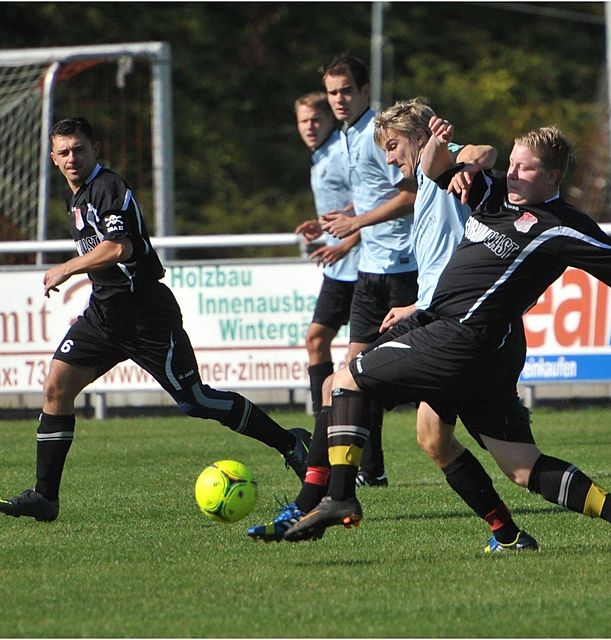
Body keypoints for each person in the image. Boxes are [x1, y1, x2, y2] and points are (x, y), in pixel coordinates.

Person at [282, 123, 611, 553]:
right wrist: (457, 149)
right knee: (520, 465)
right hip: (468, 341)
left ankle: (339, 495)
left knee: (348, 380)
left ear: (553, 176)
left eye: (526, 167)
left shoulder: (561, 225)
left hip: (460, 338)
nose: (514, 173)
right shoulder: (496, 191)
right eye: (513, 163)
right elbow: (436, 167)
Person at [0, 117, 309, 522]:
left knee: (195, 401)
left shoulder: (108, 187)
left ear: (96, 149)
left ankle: (290, 443)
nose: (72, 157)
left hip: (146, 315)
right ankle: (45, 497)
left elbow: (120, 248)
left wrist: (67, 268)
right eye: (64, 152)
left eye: (79, 149)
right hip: (105, 313)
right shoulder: (77, 197)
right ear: (53, 159)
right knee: (57, 388)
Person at [374, 98, 536, 552]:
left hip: (466, 328)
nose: (389, 158)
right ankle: (507, 534)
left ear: (421, 138)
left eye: (393, 145)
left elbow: (485, 152)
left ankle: (328, 491)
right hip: (441, 317)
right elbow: (442, 263)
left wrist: (459, 157)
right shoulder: (424, 185)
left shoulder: (446, 165)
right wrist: (414, 307)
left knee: (349, 384)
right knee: (433, 438)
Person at [245, 92, 359, 542]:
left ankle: (350, 460)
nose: (309, 126)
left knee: (352, 374)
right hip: (342, 263)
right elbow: (346, 210)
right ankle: (327, 444)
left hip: (363, 264)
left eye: (316, 118)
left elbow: (373, 206)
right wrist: (321, 227)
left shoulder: (344, 151)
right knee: (320, 345)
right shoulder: (318, 156)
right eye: (302, 120)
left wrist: (344, 238)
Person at [318, 54, 419, 489]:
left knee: (424, 380)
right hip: (369, 272)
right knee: (350, 375)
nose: (338, 100)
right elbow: (374, 197)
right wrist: (347, 224)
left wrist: (356, 222)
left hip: (402, 270)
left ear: (364, 93)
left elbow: (410, 195)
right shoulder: (345, 135)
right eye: (331, 92)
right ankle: (363, 469)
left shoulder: (378, 135)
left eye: (345, 91)